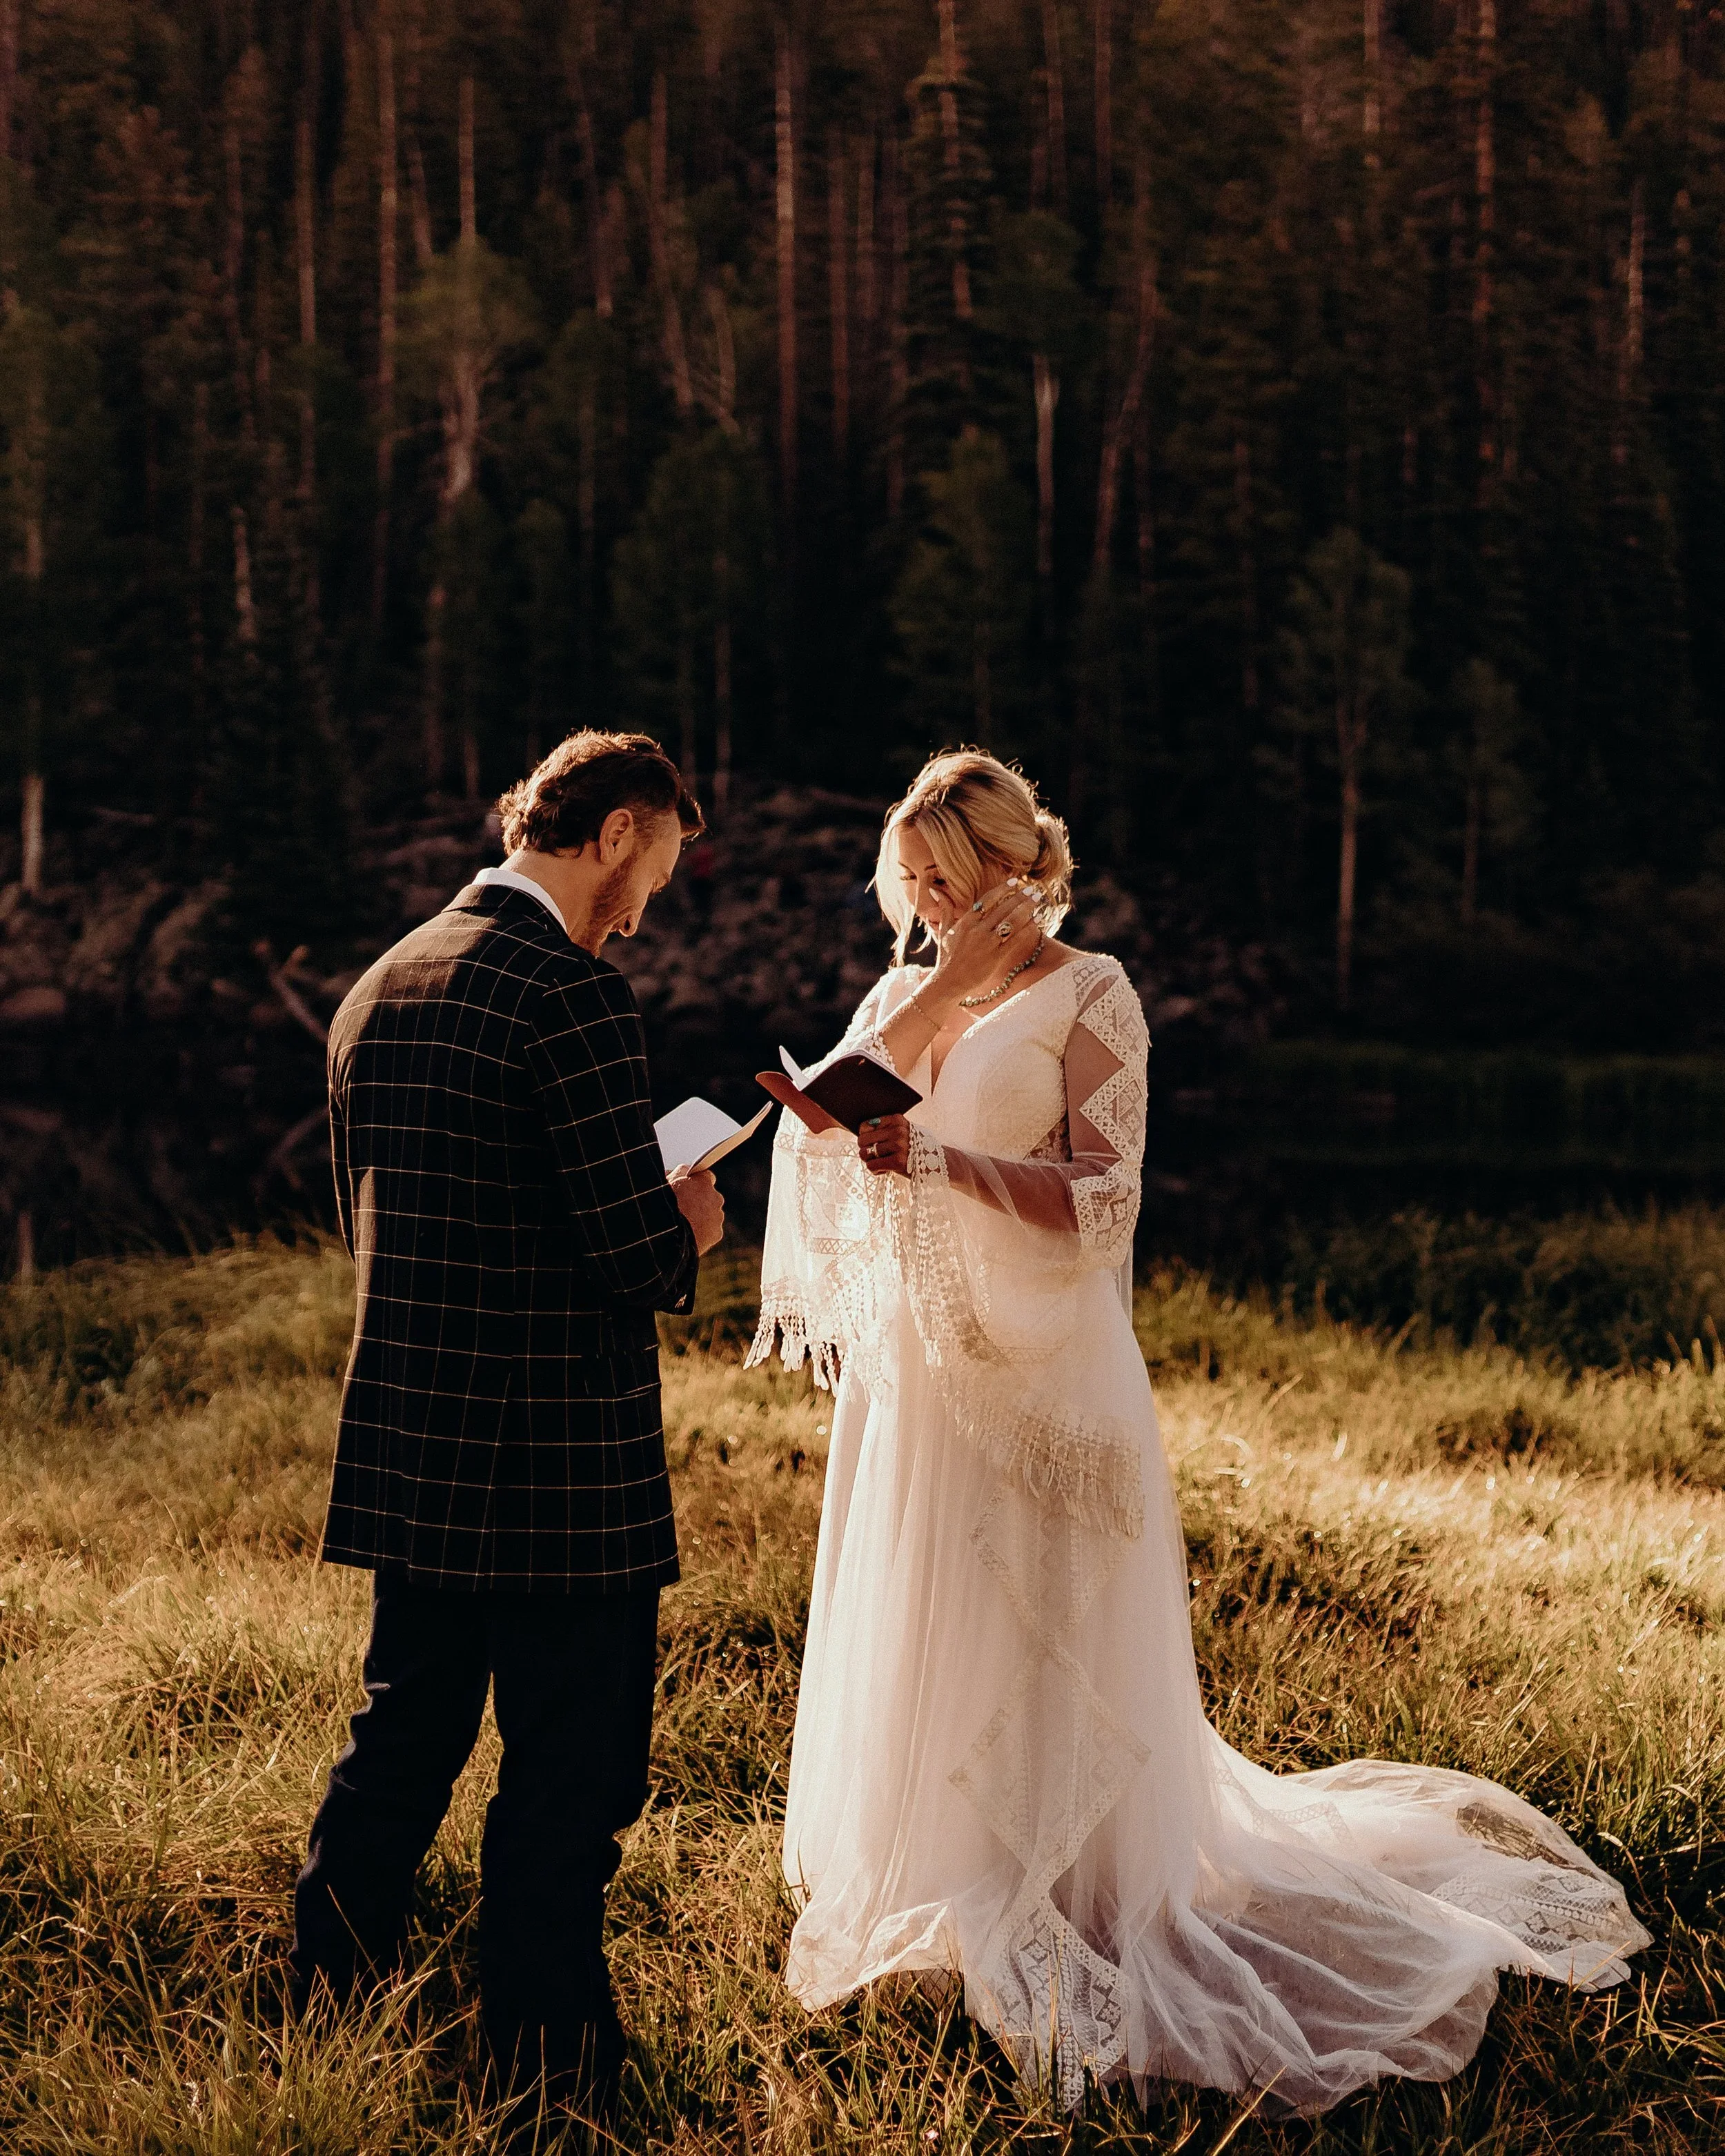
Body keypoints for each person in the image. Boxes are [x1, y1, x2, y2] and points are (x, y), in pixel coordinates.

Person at [749, 748, 1647, 2115]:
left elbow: (1102, 1196)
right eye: (912, 882)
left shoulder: (1090, 992)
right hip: (922, 1371)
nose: (927, 903)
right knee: (931, 1601)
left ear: (1012, 867)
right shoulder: (908, 991)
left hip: (1047, 1367)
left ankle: (1077, 1876)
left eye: (949, 878)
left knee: (1040, 1615)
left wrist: (944, 1160)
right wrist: (932, 991)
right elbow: (821, 1123)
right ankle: (934, 1862)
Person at [290, 730, 725, 2126]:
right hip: (556, 1466)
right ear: (613, 834)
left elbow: (375, 1221)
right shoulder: (572, 993)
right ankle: (550, 2061)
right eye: (656, 863)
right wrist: (690, 1219)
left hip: (414, 1440)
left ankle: (322, 2001)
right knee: (571, 1771)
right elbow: (627, 1255)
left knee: (401, 1740)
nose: (650, 897)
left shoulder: (380, 980)